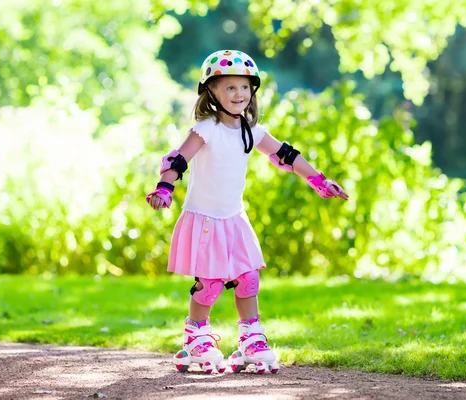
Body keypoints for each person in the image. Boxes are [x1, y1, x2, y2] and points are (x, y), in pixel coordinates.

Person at [146, 49, 349, 375]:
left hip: (234, 219)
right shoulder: (207, 128)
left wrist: (319, 180)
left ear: (252, 91)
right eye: (230, 87)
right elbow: (178, 159)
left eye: (244, 87)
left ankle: (251, 340)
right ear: (212, 90)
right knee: (209, 282)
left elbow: (287, 155)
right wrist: (164, 189)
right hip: (206, 219)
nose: (238, 94)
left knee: (248, 278)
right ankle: (196, 338)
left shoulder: (251, 132)